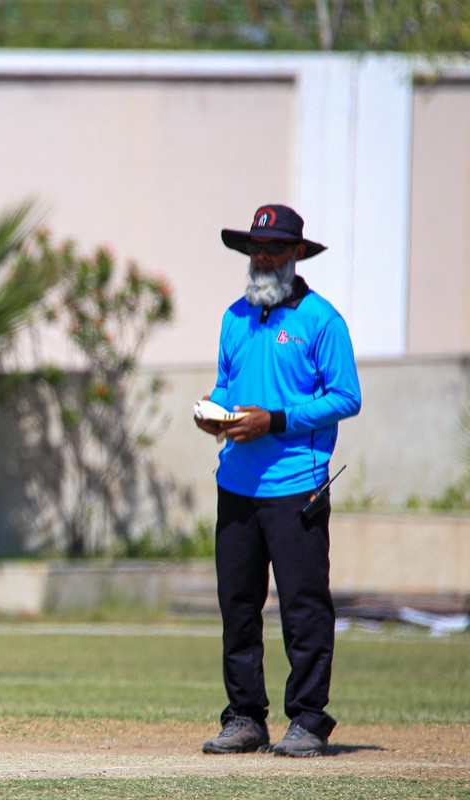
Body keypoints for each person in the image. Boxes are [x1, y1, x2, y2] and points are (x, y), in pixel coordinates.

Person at [194, 204, 362, 758]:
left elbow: (346, 398)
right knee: (238, 606)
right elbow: (227, 383)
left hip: (297, 485)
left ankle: (309, 719)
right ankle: (245, 717)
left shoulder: (321, 321)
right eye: (256, 248)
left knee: (302, 606)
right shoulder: (234, 317)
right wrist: (214, 412)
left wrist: (276, 420)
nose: (262, 257)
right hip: (237, 484)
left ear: (296, 254)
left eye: (274, 248)